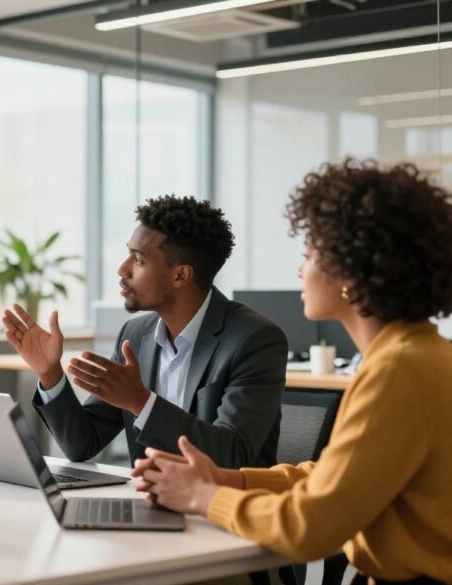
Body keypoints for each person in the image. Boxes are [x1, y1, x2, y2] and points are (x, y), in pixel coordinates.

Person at [135, 160, 452, 583]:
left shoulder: (398, 369)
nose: (300, 270)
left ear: (350, 271)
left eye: (309, 255)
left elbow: (311, 527)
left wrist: (204, 495)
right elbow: (331, 478)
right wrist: (230, 479)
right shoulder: (419, 354)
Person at [3, 195, 287, 468]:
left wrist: (140, 401)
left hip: (224, 510)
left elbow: (232, 453)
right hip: (150, 504)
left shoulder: (254, 340)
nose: (122, 269)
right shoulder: (136, 335)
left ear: (180, 275)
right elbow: (82, 444)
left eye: (138, 260)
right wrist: (49, 372)